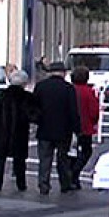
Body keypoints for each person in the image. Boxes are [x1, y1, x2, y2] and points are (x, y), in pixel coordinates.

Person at [34, 62, 80, 195]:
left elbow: (34, 107)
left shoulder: (41, 86)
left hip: (44, 128)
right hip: (63, 130)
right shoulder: (68, 88)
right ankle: (64, 183)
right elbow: (73, 111)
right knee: (63, 159)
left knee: (44, 159)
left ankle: (43, 184)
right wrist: (76, 129)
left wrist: (38, 121)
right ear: (63, 73)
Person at [0, 70, 37, 192]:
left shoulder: (0, 94)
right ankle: (21, 184)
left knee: (0, 159)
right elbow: (33, 115)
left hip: (1, 131)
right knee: (19, 160)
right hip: (19, 132)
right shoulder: (26, 97)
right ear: (24, 83)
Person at [69, 66, 100, 190]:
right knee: (86, 151)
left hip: (70, 125)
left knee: (71, 151)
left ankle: (71, 175)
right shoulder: (89, 92)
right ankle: (75, 174)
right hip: (85, 126)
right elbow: (94, 111)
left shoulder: (70, 90)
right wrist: (94, 121)